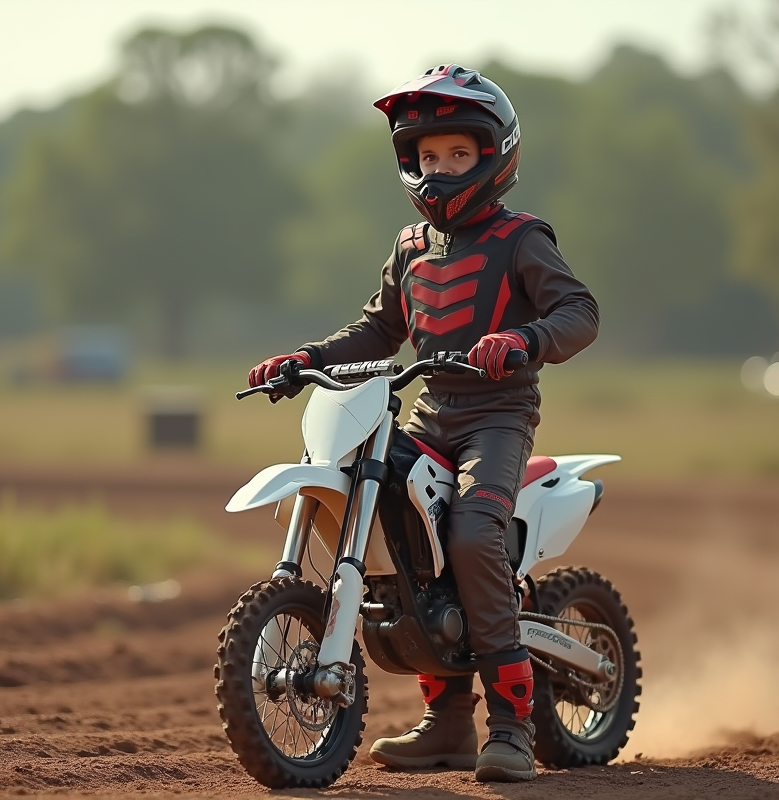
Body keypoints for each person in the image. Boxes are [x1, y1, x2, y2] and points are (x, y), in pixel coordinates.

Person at [247, 64, 600, 782]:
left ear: (494, 154)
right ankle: (446, 727)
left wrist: (525, 341)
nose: (440, 168)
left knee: (471, 533)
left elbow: (580, 313)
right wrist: (307, 358)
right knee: (399, 544)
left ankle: (507, 726)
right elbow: (378, 331)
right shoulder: (410, 248)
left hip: (496, 420)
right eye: (428, 155)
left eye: (458, 154)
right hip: (428, 416)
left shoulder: (520, 238)